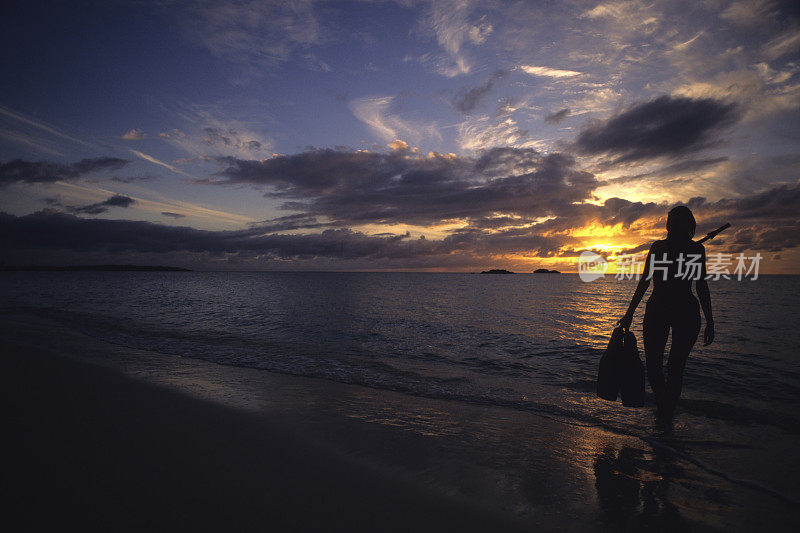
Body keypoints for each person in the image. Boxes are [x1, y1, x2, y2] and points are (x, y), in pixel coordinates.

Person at [619, 206, 714, 425]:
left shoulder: (696, 251)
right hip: (657, 309)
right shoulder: (659, 248)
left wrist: (710, 320)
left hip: (686, 311)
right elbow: (645, 279)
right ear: (669, 225)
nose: (676, 225)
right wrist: (629, 314)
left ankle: (666, 414)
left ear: (689, 225)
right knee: (653, 366)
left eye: (682, 221)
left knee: (675, 367)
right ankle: (665, 408)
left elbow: (701, 285)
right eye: (674, 221)